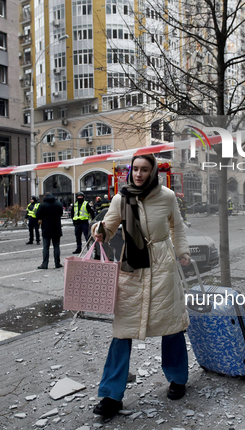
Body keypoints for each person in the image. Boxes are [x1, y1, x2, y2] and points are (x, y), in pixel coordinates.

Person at [90, 154, 191, 417]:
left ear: (153, 171)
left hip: (161, 265)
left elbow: (176, 226)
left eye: (144, 170)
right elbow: (109, 228)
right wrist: (99, 230)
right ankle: (111, 396)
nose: (138, 174)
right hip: (132, 268)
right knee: (122, 330)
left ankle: (178, 378)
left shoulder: (167, 196)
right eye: (135, 169)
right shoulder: (120, 198)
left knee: (170, 324)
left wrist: (183, 252)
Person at [35, 193, 64, 270]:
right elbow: (61, 213)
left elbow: (37, 215)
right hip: (56, 228)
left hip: (46, 228)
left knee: (46, 247)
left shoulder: (43, 205)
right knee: (56, 247)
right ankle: (57, 263)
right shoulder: (58, 204)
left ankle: (45, 264)